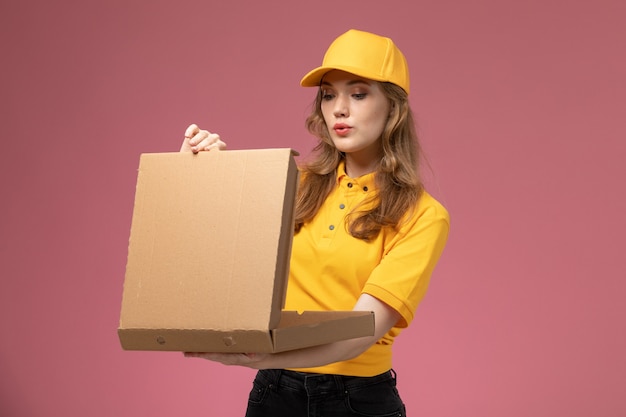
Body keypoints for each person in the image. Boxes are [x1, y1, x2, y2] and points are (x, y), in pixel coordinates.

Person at [181, 29, 449, 417]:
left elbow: (361, 333)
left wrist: (258, 359)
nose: (340, 108)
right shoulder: (294, 184)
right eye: (328, 94)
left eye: (358, 93)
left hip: (357, 401)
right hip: (274, 394)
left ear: (393, 107)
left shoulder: (423, 216)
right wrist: (200, 174)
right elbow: (220, 258)